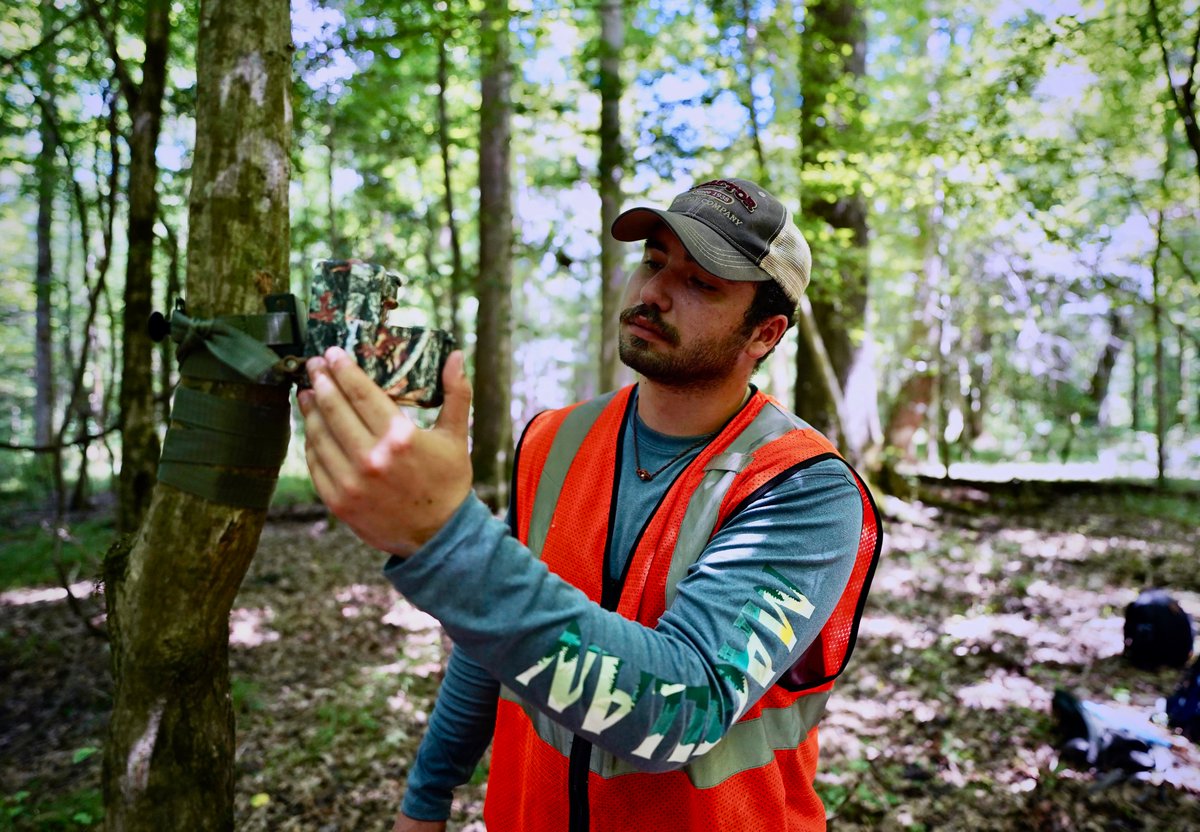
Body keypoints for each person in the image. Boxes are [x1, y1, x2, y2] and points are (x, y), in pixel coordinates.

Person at [299, 176, 882, 832]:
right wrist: (427, 794)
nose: (654, 292)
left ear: (764, 334)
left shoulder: (802, 490)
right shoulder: (554, 438)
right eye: (654, 262)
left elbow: (684, 709)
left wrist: (448, 538)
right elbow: (489, 636)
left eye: (701, 284)